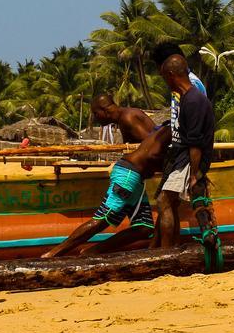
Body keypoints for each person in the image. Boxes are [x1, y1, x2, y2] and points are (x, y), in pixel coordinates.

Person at [40, 96, 160, 258]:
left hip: (130, 176)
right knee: (111, 219)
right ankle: (58, 254)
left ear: (103, 111)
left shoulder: (128, 118)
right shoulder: (129, 116)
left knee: (141, 227)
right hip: (131, 176)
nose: (96, 120)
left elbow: (153, 145)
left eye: (95, 115)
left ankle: (63, 252)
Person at [153, 53, 220, 266]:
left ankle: (165, 254)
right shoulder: (191, 99)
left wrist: (194, 174)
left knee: (164, 201)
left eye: (165, 78)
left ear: (172, 75)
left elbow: (196, 142)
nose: (166, 84)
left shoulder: (192, 101)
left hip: (188, 159)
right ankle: (171, 249)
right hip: (183, 158)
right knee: (168, 202)